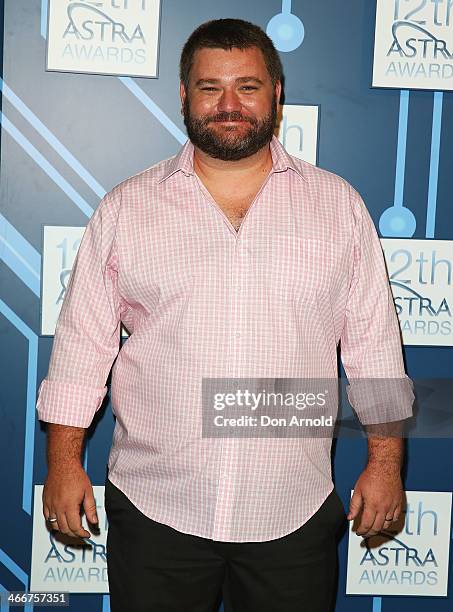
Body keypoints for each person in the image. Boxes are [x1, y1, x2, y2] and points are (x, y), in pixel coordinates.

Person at [36, 18, 414, 612]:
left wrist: (386, 467)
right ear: (184, 96)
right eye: (210, 88)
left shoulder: (338, 208)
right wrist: (62, 464)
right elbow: (82, 350)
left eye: (248, 86)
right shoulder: (126, 209)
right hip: (155, 506)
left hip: (292, 507)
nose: (229, 105)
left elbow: (375, 351)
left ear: (277, 94)